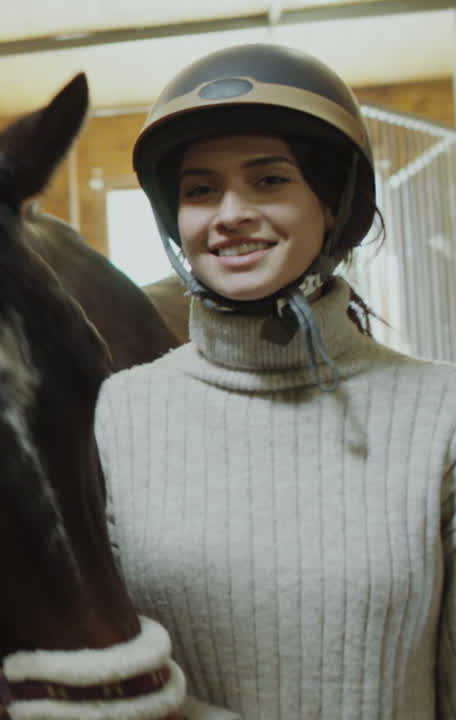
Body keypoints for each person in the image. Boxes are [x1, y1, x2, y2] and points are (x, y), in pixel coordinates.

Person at [95, 43, 456, 718]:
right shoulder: (120, 413)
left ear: (334, 203)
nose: (230, 212)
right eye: (201, 190)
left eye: (269, 180)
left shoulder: (442, 414)